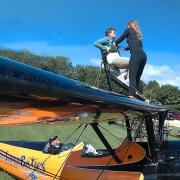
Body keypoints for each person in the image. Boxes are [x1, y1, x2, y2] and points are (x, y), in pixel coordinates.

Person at [115, 20, 147, 99]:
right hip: (144, 56)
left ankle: (131, 96)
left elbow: (120, 39)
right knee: (137, 78)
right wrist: (126, 48)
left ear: (129, 25)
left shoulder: (128, 30)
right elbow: (135, 46)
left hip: (136, 55)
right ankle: (141, 98)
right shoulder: (138, 35)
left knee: (132, 77)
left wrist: (114, 44)